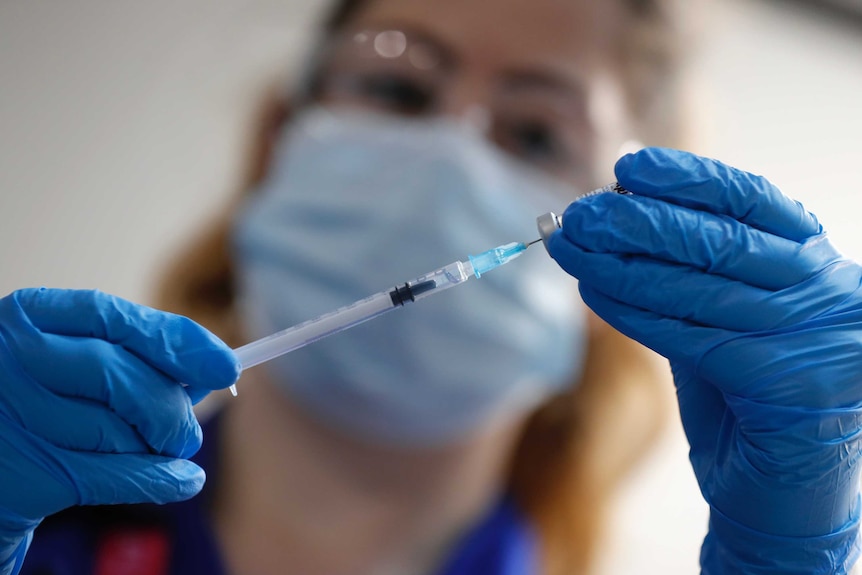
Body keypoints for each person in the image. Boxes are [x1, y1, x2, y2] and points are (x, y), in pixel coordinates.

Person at [2, 2, 859, 575]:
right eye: (397, 87)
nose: (449, 154)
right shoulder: (36, 508)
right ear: (277, 142)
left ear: (626, 263)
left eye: (534, 133)